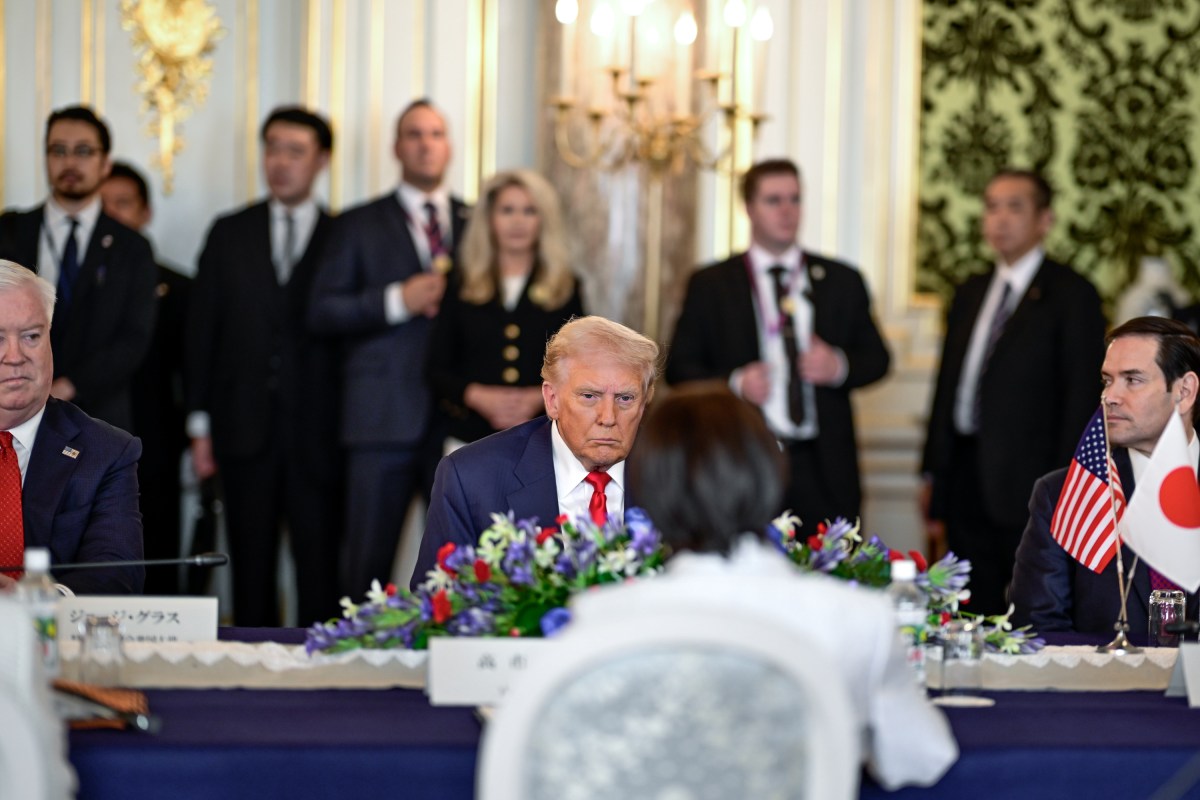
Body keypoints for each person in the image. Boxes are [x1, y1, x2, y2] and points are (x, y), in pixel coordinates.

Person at [565, 383, 958, 790]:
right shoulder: (858, 618)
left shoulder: (602, 619)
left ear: (650, 491)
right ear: (774, 475)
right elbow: (920, 760)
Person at [666, 158, 890, 529]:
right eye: (774, 200)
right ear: (749, 208)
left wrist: (839, 365)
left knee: (831, 574)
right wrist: (735, 383)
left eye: (795, 199)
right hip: (745, 457)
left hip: (824, 465)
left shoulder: (841, 280)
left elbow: (879, 359)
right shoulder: (711, 283)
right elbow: (680, 368)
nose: (787, 211)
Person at [921, 169, 1107, 616]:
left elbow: (1080, 396)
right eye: (991, 206)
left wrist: (1066, 483)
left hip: (1033, 480)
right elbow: (948, 389)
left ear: (1045, 219)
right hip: (965, 475)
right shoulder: (970, 291)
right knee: (969, 608)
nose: (1000, 218)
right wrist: (932, 472)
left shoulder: (1072, 294)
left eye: (1015, 207)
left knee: (1029, 611)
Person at [186, 107, 342, 626]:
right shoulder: (230, 232)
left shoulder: (345, 236)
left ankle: (322, 680)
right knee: (249, 564)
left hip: (322, 435)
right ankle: (250, 684)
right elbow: (201, 333)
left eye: (294, 151)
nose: (279, 161)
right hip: (242, 428)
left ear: (321, 160)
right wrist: (200, 425)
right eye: (272, 147)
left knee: (319, 565)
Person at [310, 99, 469, 597]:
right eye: (414, 134)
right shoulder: (356, 223)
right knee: (366, 563)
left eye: (436, 134)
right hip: (380, 417)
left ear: (449, 147)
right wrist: (396, 301)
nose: (426, 144)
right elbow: (321, 310)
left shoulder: (478, 220)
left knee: (466, 563)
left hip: (461, 416)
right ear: (397, 147)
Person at [413, 315, 658, 588]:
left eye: (625, 398)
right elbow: (436, 606)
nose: (608, 417)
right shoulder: (472, 479)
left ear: (644, 405)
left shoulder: (678, 478)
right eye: (589, 396)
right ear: (552, 400)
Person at [1010, 317, 1200, 635]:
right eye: (1107, 380)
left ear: (1184, 391)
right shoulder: (1061, 494)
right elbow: (1036, 631)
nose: (1110, 396)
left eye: (1132, 380)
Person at [0, 105, 157, 434]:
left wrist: (66, 387)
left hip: (99, 420)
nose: (70, 162)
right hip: (12, 412)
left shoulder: (132, 248)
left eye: (83, 151)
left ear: (105, 164)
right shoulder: (10, 231)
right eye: (58, 151)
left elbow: (133, 339)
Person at [0, 260, 143, 595]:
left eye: (31, 336)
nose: (15, 355)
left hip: (55, 639)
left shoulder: (105, 451)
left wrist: (35, 604)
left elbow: (117, 574)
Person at [427, 169, 584, 449]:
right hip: (467, 436)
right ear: (489, 219)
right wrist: (476, 395)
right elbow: (437, 366)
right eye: (507, 210)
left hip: (543, 436)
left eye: (529, 211)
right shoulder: (460, 283)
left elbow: (580, 364)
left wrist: (538, 396)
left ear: (543, 220)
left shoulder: (566, 286)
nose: (518, 222)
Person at [100, 161, 190, 596]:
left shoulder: (177, 286)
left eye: (124, 204)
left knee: (158, 545)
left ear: (145, 212)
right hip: (90, 433)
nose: (114, 214)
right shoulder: (75, 285)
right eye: (104, 205)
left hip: (157, 438)